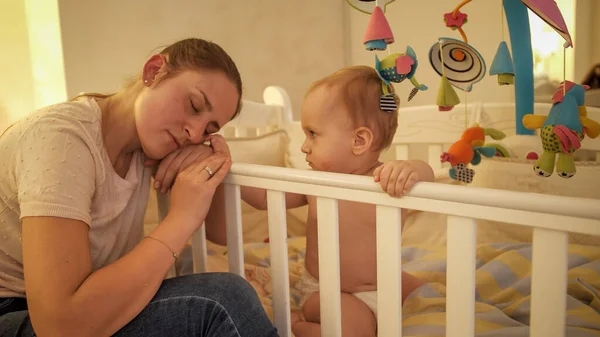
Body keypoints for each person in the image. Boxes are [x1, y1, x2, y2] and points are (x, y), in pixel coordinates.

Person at [0, 38, 278, 337]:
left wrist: (214, 157)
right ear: (154, 71)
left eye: (209, 130)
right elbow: (60, 326)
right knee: (222, 299)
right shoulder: (62, 139)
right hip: (19, 312)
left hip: (88, 308)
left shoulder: (151, 148)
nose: (194, 132)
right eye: (194, 105)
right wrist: (181, 218)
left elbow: (221, 233)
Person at [231, 66, 434, 337]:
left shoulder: (389, 182)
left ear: (359, 140)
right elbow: (266, 197)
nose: (304, 146)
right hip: (329, 290)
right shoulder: (315, 183)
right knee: (356, 331)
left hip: (386, 284)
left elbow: (427, 178)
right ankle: (298, 326)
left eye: (313, 133)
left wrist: (413, 168)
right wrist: (230, 171)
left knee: (429, 294)